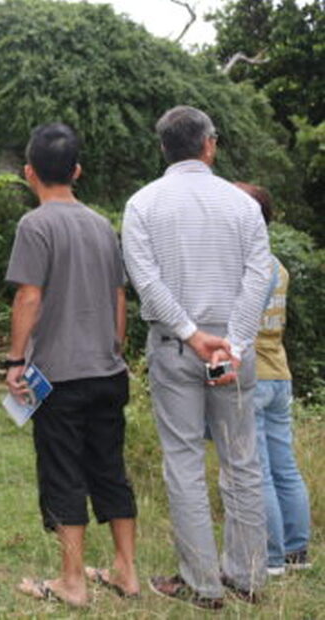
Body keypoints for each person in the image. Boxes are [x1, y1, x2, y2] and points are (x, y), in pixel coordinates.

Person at [122, 105, 271, 609]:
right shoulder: (243, 205)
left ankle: (203, 583)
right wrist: (236, 344)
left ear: (163, 148)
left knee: (183, 461)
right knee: (242, 460)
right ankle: (248, 576)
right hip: (233, 347)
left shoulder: (142, 204)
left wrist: (190, 334)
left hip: (174, 346)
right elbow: (259, 276)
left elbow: (147, 283)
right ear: (209, 145)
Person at [4, 123, 138, 607]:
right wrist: (114, 349)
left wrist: (15, 360)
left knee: (63, 473)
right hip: (107, 370)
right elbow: (119, 297)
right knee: (110, 468)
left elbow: (29, 295)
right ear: (77, 170)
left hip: (59, 375)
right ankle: (126, 571)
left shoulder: (35, 225)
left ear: (29, 172)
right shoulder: (102, 224)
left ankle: (73, 581)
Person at [234, 182, 312, 576]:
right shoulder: (277, 265)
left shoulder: (247, 267)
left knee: (258, 470)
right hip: (279, 373)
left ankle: (272, 557)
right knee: (286, 467)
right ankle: (297, 550)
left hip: (254, 375)